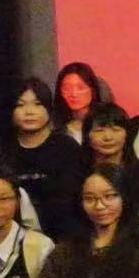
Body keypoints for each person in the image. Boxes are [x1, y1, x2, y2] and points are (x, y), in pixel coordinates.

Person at [8, 78, 86, 242]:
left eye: (37, 104)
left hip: (65, 239)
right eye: (21, 105)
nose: (29, 112)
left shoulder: (67, 147)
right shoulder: (3, 150)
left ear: (49, 109)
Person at [81, 102, 139, 230]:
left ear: (127, 134)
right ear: (87, 136)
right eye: (99, 130)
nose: (108, 137)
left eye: (116, 130)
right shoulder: (77, 174)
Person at [55, 62, 111, 144]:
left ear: (92, 90)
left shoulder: (108, 123)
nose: (73, 94)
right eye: (66, 88)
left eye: (81, 88)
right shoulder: (55, 128)